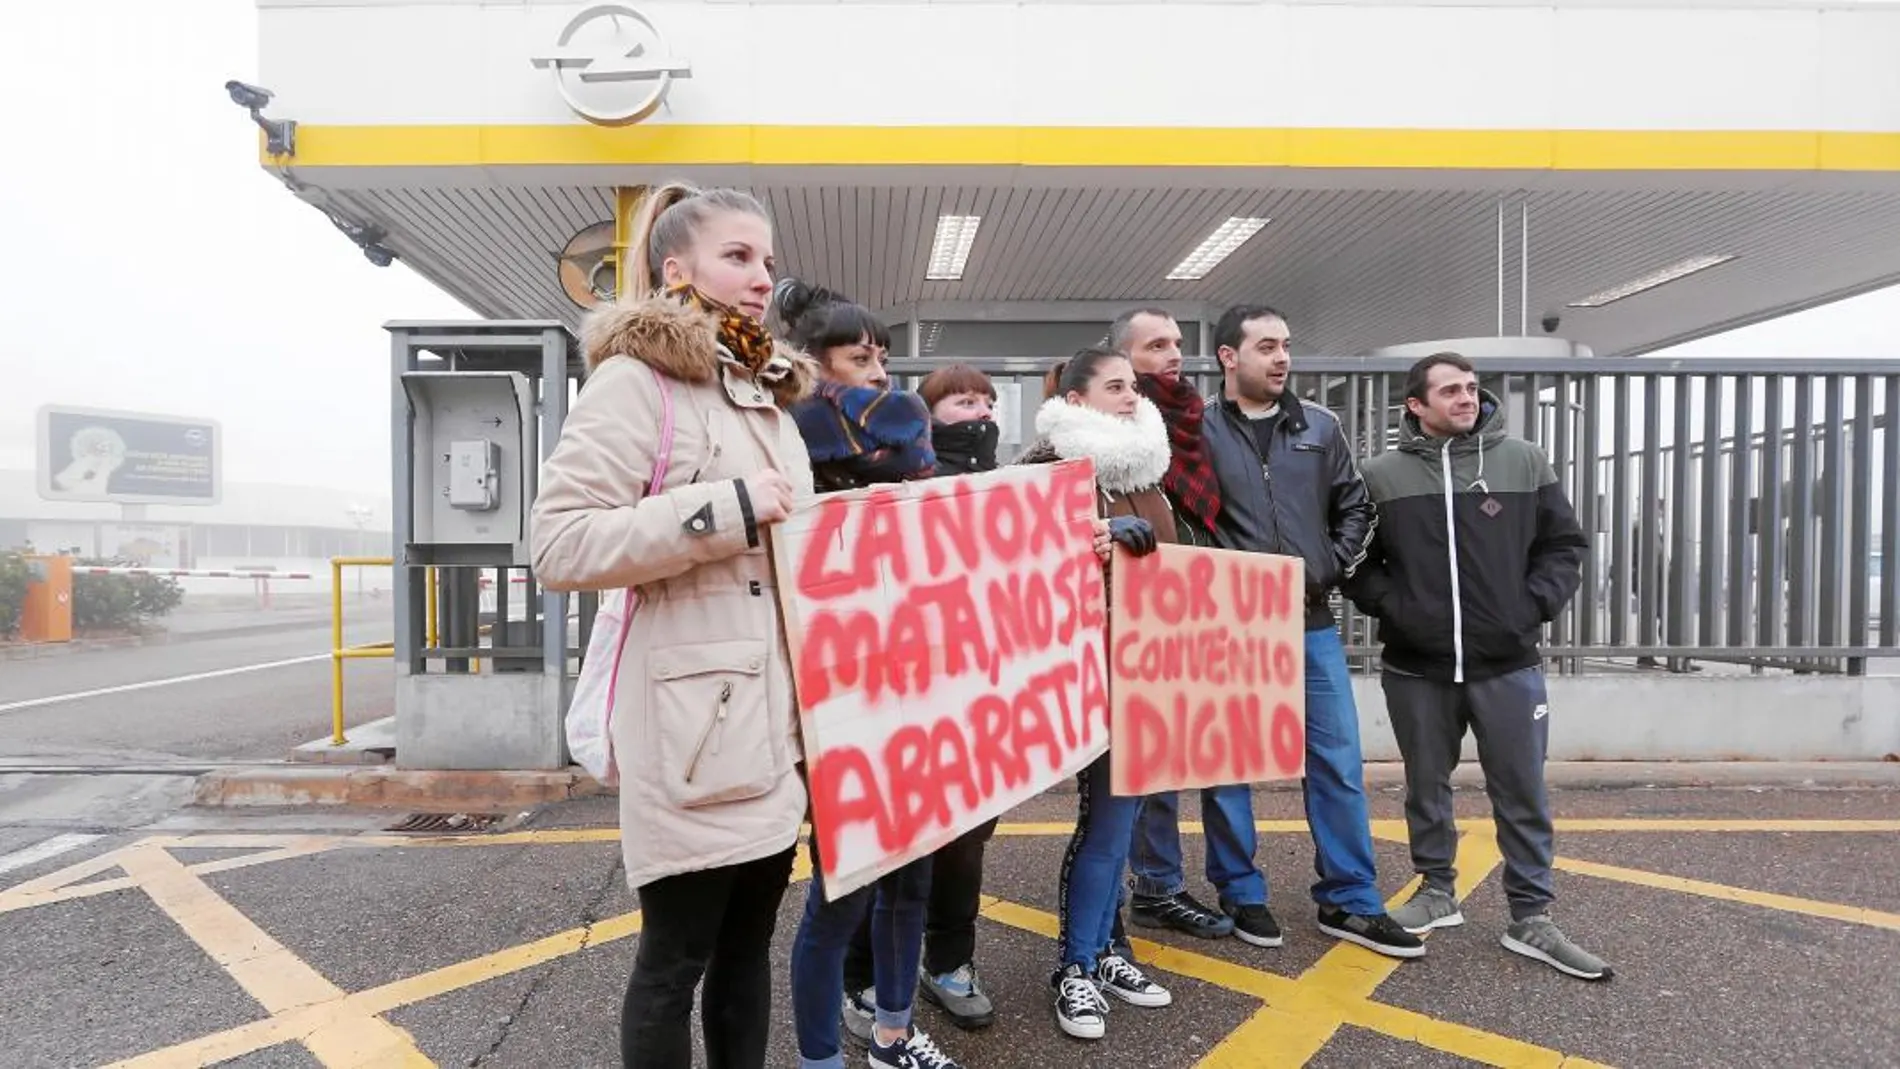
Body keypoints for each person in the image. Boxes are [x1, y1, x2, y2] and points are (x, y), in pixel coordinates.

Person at [530, 181, 817, 1069]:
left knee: (745, 956)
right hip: (693, 730)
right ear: (675, 269)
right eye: (738, 257)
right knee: (673, 963)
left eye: (767, 260)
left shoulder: (762, 394)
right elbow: (558, 544)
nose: (762, 278)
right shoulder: (637, 383)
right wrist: (721, 508)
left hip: (774, 728)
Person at [1133, 304, 1425, 960]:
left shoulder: (1320, 427)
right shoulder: (1195, 430)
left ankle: (1350, 897)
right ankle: (1241, 888)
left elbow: (1355, 503)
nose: (1282, 357)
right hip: (1230, 624)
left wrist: (1328, 565)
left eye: (1286, 345)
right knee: (1227, 765)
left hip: (1311, 621)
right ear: (1229, 357)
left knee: (1337, 763)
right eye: (1267, 346)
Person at [1345, 352, 1612, 981]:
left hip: (1507, 663)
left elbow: (1564, 545)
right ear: (1415, 405)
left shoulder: (1521, 460)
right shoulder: (1380, 475)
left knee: (1521, 791)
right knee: (1426, 787)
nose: (1466, 398)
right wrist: (1402, 610)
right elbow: (1356, 562)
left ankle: (1532, 916)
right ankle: (1437, 892)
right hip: (1417, 665)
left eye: (1470, 388)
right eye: (1449, 391)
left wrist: (1529, 607)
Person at [779, 282, 964, 1069]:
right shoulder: (783, 449)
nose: (882, 369)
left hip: (916, 683)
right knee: (841, 892)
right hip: (835, 694)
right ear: (814, 366)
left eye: (885, 354)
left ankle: (892, 1034)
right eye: (862, 355)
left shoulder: (922, 466)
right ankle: (822, 1057)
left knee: (912, 881)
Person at [1017, 347, 1175, 1042]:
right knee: (1104, 822)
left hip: (1144, 673)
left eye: (1134, 387)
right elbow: (1014, 559)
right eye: (1115, 386)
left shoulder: (1149, 477)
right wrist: (1094, 536)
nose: (1130, 396)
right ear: (1076, 401)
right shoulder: (1048, 471)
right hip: (1081, 674)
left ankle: (1106, 952)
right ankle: (1075, 966)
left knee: (1120, 822)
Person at [841, 362, 1004, 1038]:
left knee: (968, 842)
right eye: (963, 399)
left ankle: (950, 962)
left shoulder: (1010, 488)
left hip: (981, 695)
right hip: (902, 698)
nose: (981, 409)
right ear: (927, 414)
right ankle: (863, 976)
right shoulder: (897, 479)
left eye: (988, 398)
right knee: (893, 849)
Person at [781, 279, 935, 492]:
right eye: (861, 359)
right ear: (811, 365)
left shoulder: (913, 431)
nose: (881, 375)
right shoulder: (778, 441)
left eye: (882, 361)